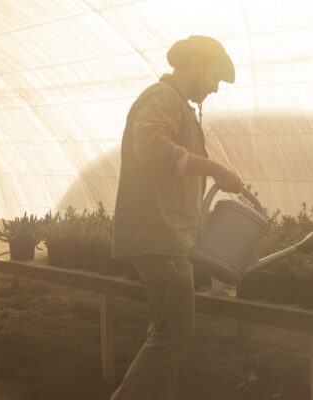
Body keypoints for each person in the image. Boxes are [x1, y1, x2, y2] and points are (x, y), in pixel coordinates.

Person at [109, 35, 244, 399]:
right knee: (175, 335)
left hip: (171, 237)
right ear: (197, 63)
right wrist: (214, 167)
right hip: (159, 238)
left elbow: (174, 175)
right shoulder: (161, 99)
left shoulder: (179, 107)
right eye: (216, 77)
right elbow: (152, 149)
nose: (216, 88)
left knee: (164, 336)